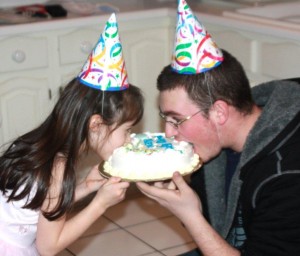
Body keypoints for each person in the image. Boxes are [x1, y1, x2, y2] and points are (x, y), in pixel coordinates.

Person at [136, 0, 300, 255]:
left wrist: (190, 216)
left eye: (176, 120)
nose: (169, 133)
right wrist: (183, 198)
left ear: (219, 112)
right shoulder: (211, 146)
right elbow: (213, 224)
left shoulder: (287, 174)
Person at [0, 13, 144, 256]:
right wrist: (100, 203)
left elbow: (38, 206)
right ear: (96, 124)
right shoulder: (56, 168)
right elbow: (49, 246)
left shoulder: (37, 143)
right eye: (127, 130)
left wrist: (86, 187)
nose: (129, 139)